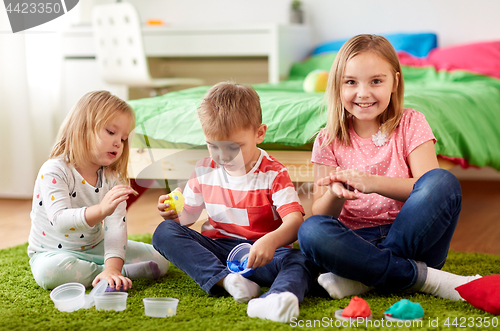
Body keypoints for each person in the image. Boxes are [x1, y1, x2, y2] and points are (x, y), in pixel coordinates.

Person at [297, 34, 480, 301]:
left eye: (376, 81)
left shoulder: (411, 123)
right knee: (311, 230)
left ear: (394, 81)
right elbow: (320, 213)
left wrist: (370, 182)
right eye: (351, 82)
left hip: (416, 239)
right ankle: (421, 278)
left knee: (443, 181)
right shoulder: (327, 139)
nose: (363, 93)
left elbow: (426, 186)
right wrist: (335, 194)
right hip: (357, 244)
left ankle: (365, 277)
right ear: (337, 85)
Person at [152, 82, 317, 323]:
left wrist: (270, 241)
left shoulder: (274, 173)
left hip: (262, 254)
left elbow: (295, 221)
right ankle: (226, 280)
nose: (222, 156)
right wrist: (172, 215)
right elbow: (186, 218)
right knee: (164, 232)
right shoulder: (203, 169)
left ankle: (280, 298)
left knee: (301, 260)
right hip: (217, 252)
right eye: (213, 146)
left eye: (234, 147)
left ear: (259, 133)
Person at [28, 91, 169, 291]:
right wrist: (101, 210)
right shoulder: (54, 171)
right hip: (52, 254)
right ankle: (123, 273)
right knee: (50, 274)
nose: (118, 143)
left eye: (123, 138)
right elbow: (60, 221)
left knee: (160, 259)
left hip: (95, 246)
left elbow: (116, 229)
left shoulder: (113, 179)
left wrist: (113, 267)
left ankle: (110, 273)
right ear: (82, 128)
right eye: (111, 132)